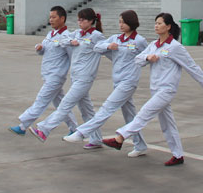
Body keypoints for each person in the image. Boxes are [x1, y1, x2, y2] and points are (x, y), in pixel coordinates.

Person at [103, 13, 203, 166]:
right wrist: (148, 58)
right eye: (155, 23)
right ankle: (178, 155)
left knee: (144, 113)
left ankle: (120, 138)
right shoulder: (153, 45)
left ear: (168, 26)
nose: (156, 26)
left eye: (160, 23)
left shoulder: (175, 47)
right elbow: (137, 59)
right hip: (155, 88)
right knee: (167, 123)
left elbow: (191, 66)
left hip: (167, 90)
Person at [63, 10, 149, 157]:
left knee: (107, 107)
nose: (121, 25)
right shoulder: (115, 38)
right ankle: (140, 145)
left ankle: (82, 132)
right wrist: (109, 47)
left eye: (124, 22)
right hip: (117, 80)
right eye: (120, 22)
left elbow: (147, 56)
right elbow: (97, 47)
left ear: (131, 22)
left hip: (129, 82)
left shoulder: (139, 41)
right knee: (130, 115)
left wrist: (138, 63)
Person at [29, 8, 105, 148]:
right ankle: (96, 139)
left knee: (65, 104)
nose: (80, 22)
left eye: (83, 20)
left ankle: (44, 129)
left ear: (91, 21)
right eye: (78, 19)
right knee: (86, 110)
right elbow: (62, 40)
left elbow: (104, 47)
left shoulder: (96, 36)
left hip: (85, 77)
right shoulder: (76, 34)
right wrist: (71, 42)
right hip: (75, 76)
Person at [8, 6, 78, 136]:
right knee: (61, 104)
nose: (51, 20)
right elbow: (43, 50)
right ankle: (74, 128)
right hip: (47, 74)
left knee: (41, 101)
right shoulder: (50, 34)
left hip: (56, 76)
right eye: (50, 17)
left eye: (54, 17)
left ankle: (23, 126)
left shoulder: (67, 37)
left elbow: (72, 57)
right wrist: (39, 48)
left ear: (62, 18)